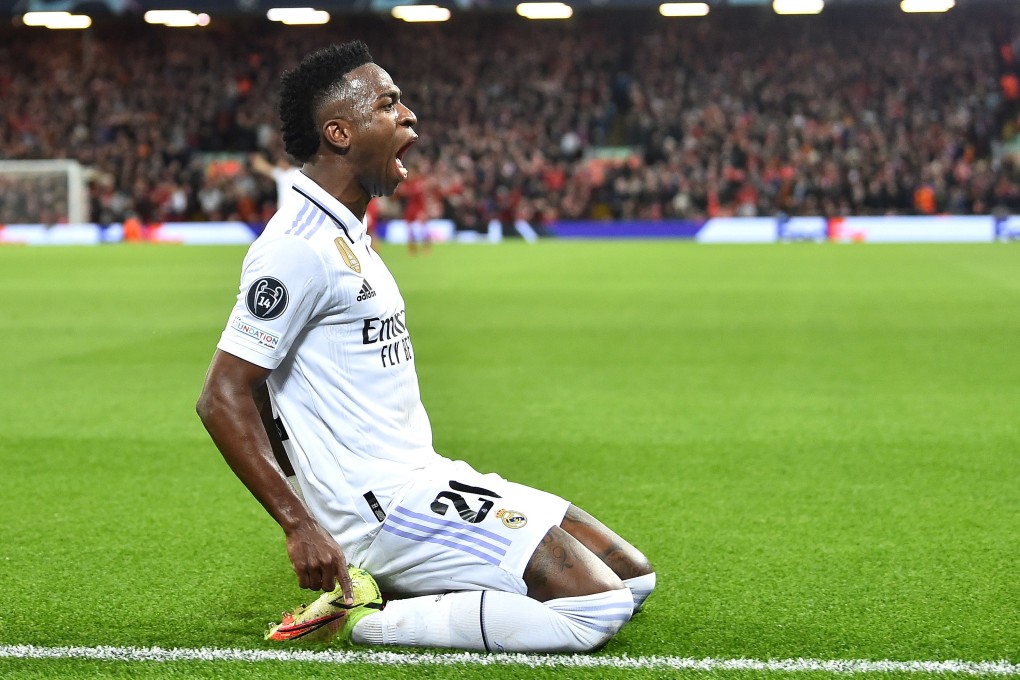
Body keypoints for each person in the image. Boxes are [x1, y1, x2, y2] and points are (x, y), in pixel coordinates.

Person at [196, 41, 655, 653]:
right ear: (339, 132)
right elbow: (223, 393)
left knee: (634, 578)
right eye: (388, 104)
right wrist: (301, 521)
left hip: (427, 478)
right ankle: (363, 622)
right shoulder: (296, 248)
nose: (410, 117)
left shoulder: (348, 235)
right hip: (383, 509)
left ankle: (413, 586)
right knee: (594, 607)